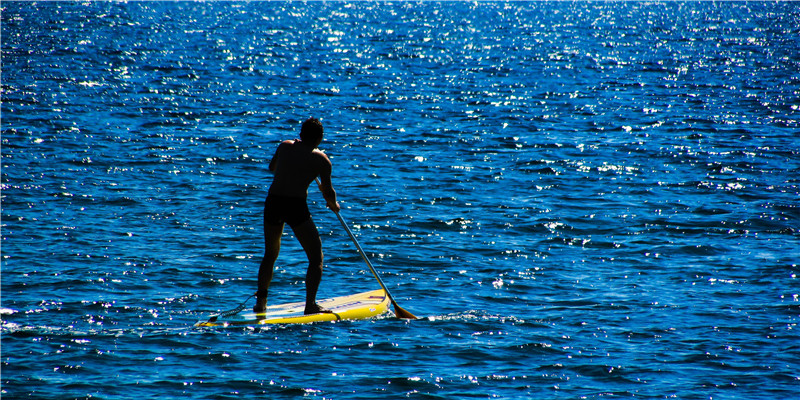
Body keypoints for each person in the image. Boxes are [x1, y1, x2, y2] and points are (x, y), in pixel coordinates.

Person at [254, 117, 340, 314]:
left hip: (273, 202)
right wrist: (334, 205)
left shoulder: (285, 146)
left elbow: (272, 168)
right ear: (320, 138)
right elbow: (328, 193)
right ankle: (310, 305)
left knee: (270, 254)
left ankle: (261, 303)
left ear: (301, 134)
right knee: (316, 257)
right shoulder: (322, 160)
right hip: (294, 205)